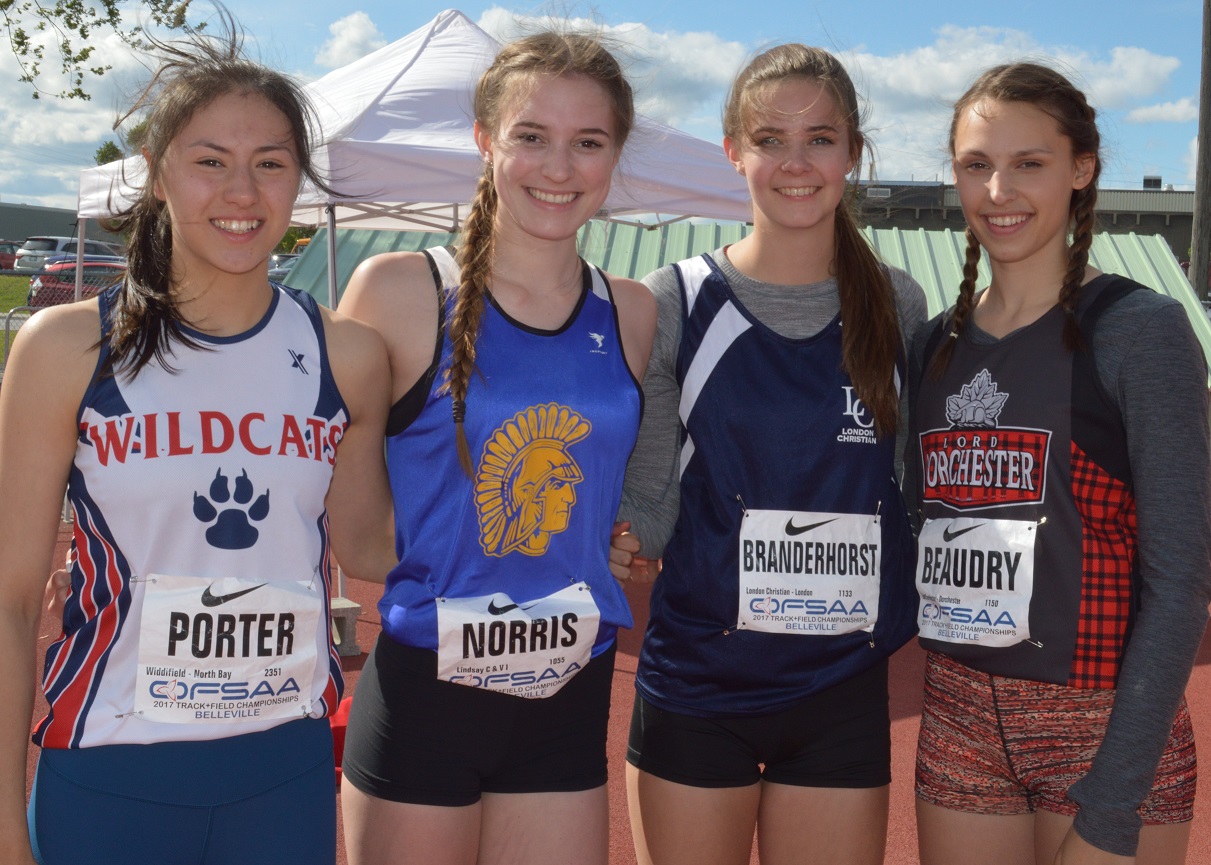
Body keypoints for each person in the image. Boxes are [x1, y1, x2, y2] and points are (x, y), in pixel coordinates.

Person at [0, 17, 393, 865]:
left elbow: (373, 545)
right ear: (157, 174)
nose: (241, 192)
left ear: (299, 180)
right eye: (210, 160)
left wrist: (554, 515)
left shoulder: (347, 354)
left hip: (282, 774)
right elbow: (10, 599)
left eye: (271, 163)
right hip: (110, 773)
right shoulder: (67, 348)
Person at [334, 31, 656, 865]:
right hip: (427, 694)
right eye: (532, 136)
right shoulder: (401, 291)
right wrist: (485, 556)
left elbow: (604, 492)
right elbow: (356, 536)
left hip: (570, 691)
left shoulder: (630, 311)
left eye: (588, 142)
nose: (559, 167)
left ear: (615, 155)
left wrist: (591, 543)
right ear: (485, 139)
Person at [614, 43, 925, 865]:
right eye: (769, 139)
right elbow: (651, 497)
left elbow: (912, 484)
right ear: (733, 151)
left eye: (819, 139)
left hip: (839, 690)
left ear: (852, 152)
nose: (795, 162)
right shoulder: (676, 298)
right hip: (698, 685)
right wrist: (619, 536)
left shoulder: (895, 303)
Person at [908, 62, 1211, 865]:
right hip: (958, 721)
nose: (997, 190)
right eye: (976, 164)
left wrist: (1112, 804)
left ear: (1080, 169)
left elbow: (1180, 581)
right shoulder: (931, 346)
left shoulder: (1138, 331)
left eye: (1028, 163)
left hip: (1105, 728)